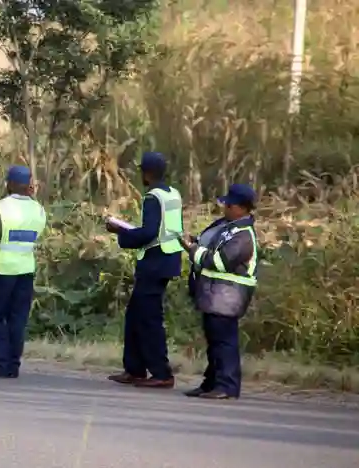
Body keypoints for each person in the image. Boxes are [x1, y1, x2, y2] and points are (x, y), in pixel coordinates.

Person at [104, 151, 183, 389]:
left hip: (154, 263)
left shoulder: (152, 197)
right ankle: (135, 369)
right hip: (169, 259)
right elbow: (164, 230)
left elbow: (149, 233)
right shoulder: (173, 194)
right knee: (136, 316)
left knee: (148, 320)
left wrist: (122, 233)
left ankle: (161, 373)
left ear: (147, 174)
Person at [179, 183, 259, 400]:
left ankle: (227, 386)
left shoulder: (243, 235)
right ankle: (211, 383)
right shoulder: (230, 227)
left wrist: (192, 250)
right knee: (215, 343)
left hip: (228, 297)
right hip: (215, 296)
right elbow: (213, 250)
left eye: (229, 204)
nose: (225, 207)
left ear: (242, 208)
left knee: (225, 344)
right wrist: (197, 243)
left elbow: (221, 261)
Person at [0, 165, 46, 379]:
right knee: (18, 319)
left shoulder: (0, 207)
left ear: (11, 184)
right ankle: (13, 365)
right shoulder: (39, 209)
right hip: (26, 269)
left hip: (3, 269)